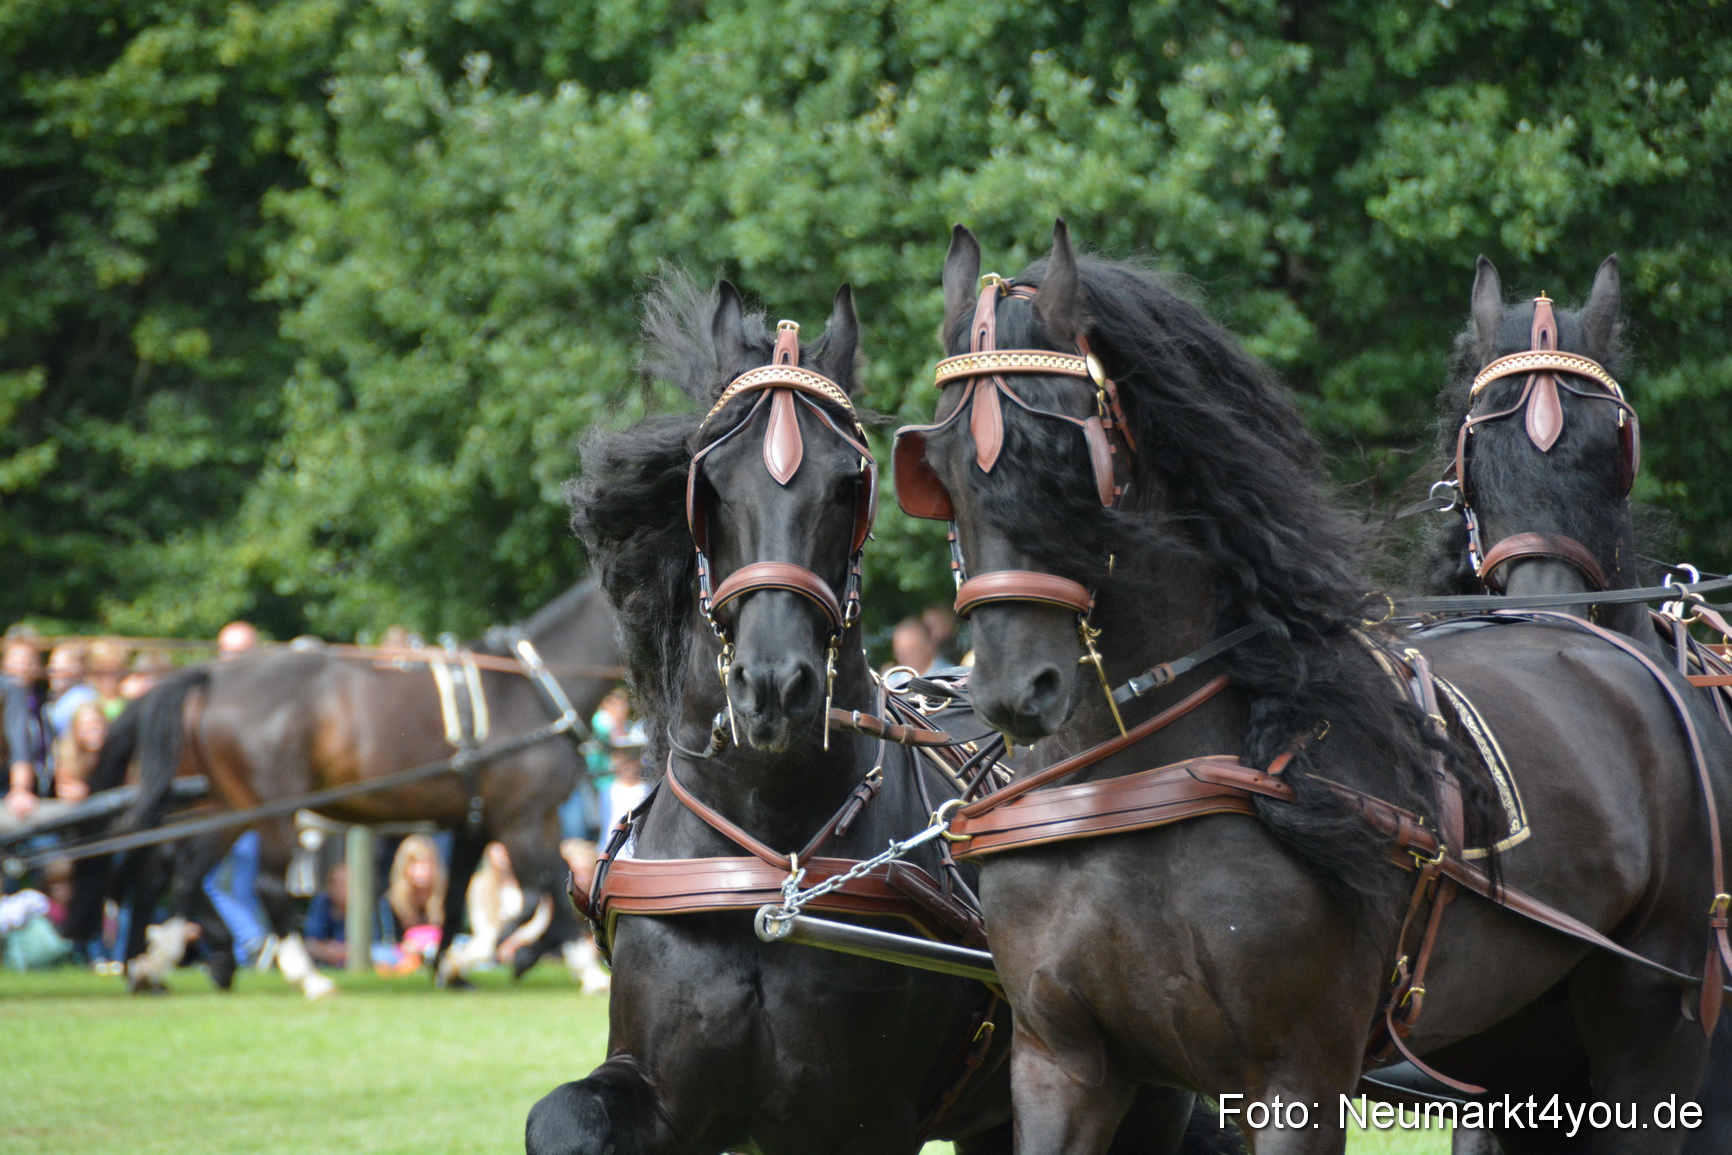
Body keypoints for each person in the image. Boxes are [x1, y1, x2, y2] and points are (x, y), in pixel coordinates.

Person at [386, 834, 446, 969]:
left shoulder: (446, 897)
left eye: (427, 863)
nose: (422, 870)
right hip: (402, 955)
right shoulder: (390, 901)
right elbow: (389, 942)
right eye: (415, 863)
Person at [2, 635, 44, 820]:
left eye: (29, 660)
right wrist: (20, 789)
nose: (23, 666)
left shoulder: (42, 701)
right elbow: (19, 741)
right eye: (17, 660)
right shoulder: (12, 690)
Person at [303, 862, 349, 968]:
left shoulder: (363, 909)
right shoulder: (322, 903)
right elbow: (310, 943)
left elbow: (373, 947)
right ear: (330, 886)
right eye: (341, 884)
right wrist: (328, 952)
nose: (345, 890)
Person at [86, 638, 129, 720]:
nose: (108, 676)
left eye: (114, 670)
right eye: (101, 670)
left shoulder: (130, 702)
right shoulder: (83, 698)